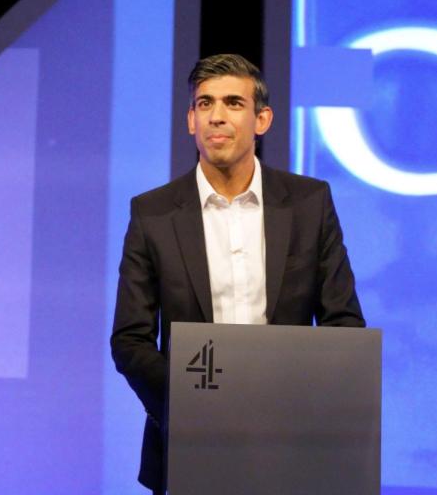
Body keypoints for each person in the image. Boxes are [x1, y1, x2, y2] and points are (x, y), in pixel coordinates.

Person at [110, 54, 365, 494]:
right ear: (191, 120)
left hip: (293, 447)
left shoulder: (309, 203)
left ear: (261, 119)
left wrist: (301, 411)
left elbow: (343, 324)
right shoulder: (152, 213)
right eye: (205, 104)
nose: (217, 117)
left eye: (232, 102)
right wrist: (190, 409)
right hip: (188, 448)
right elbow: (130, 340)